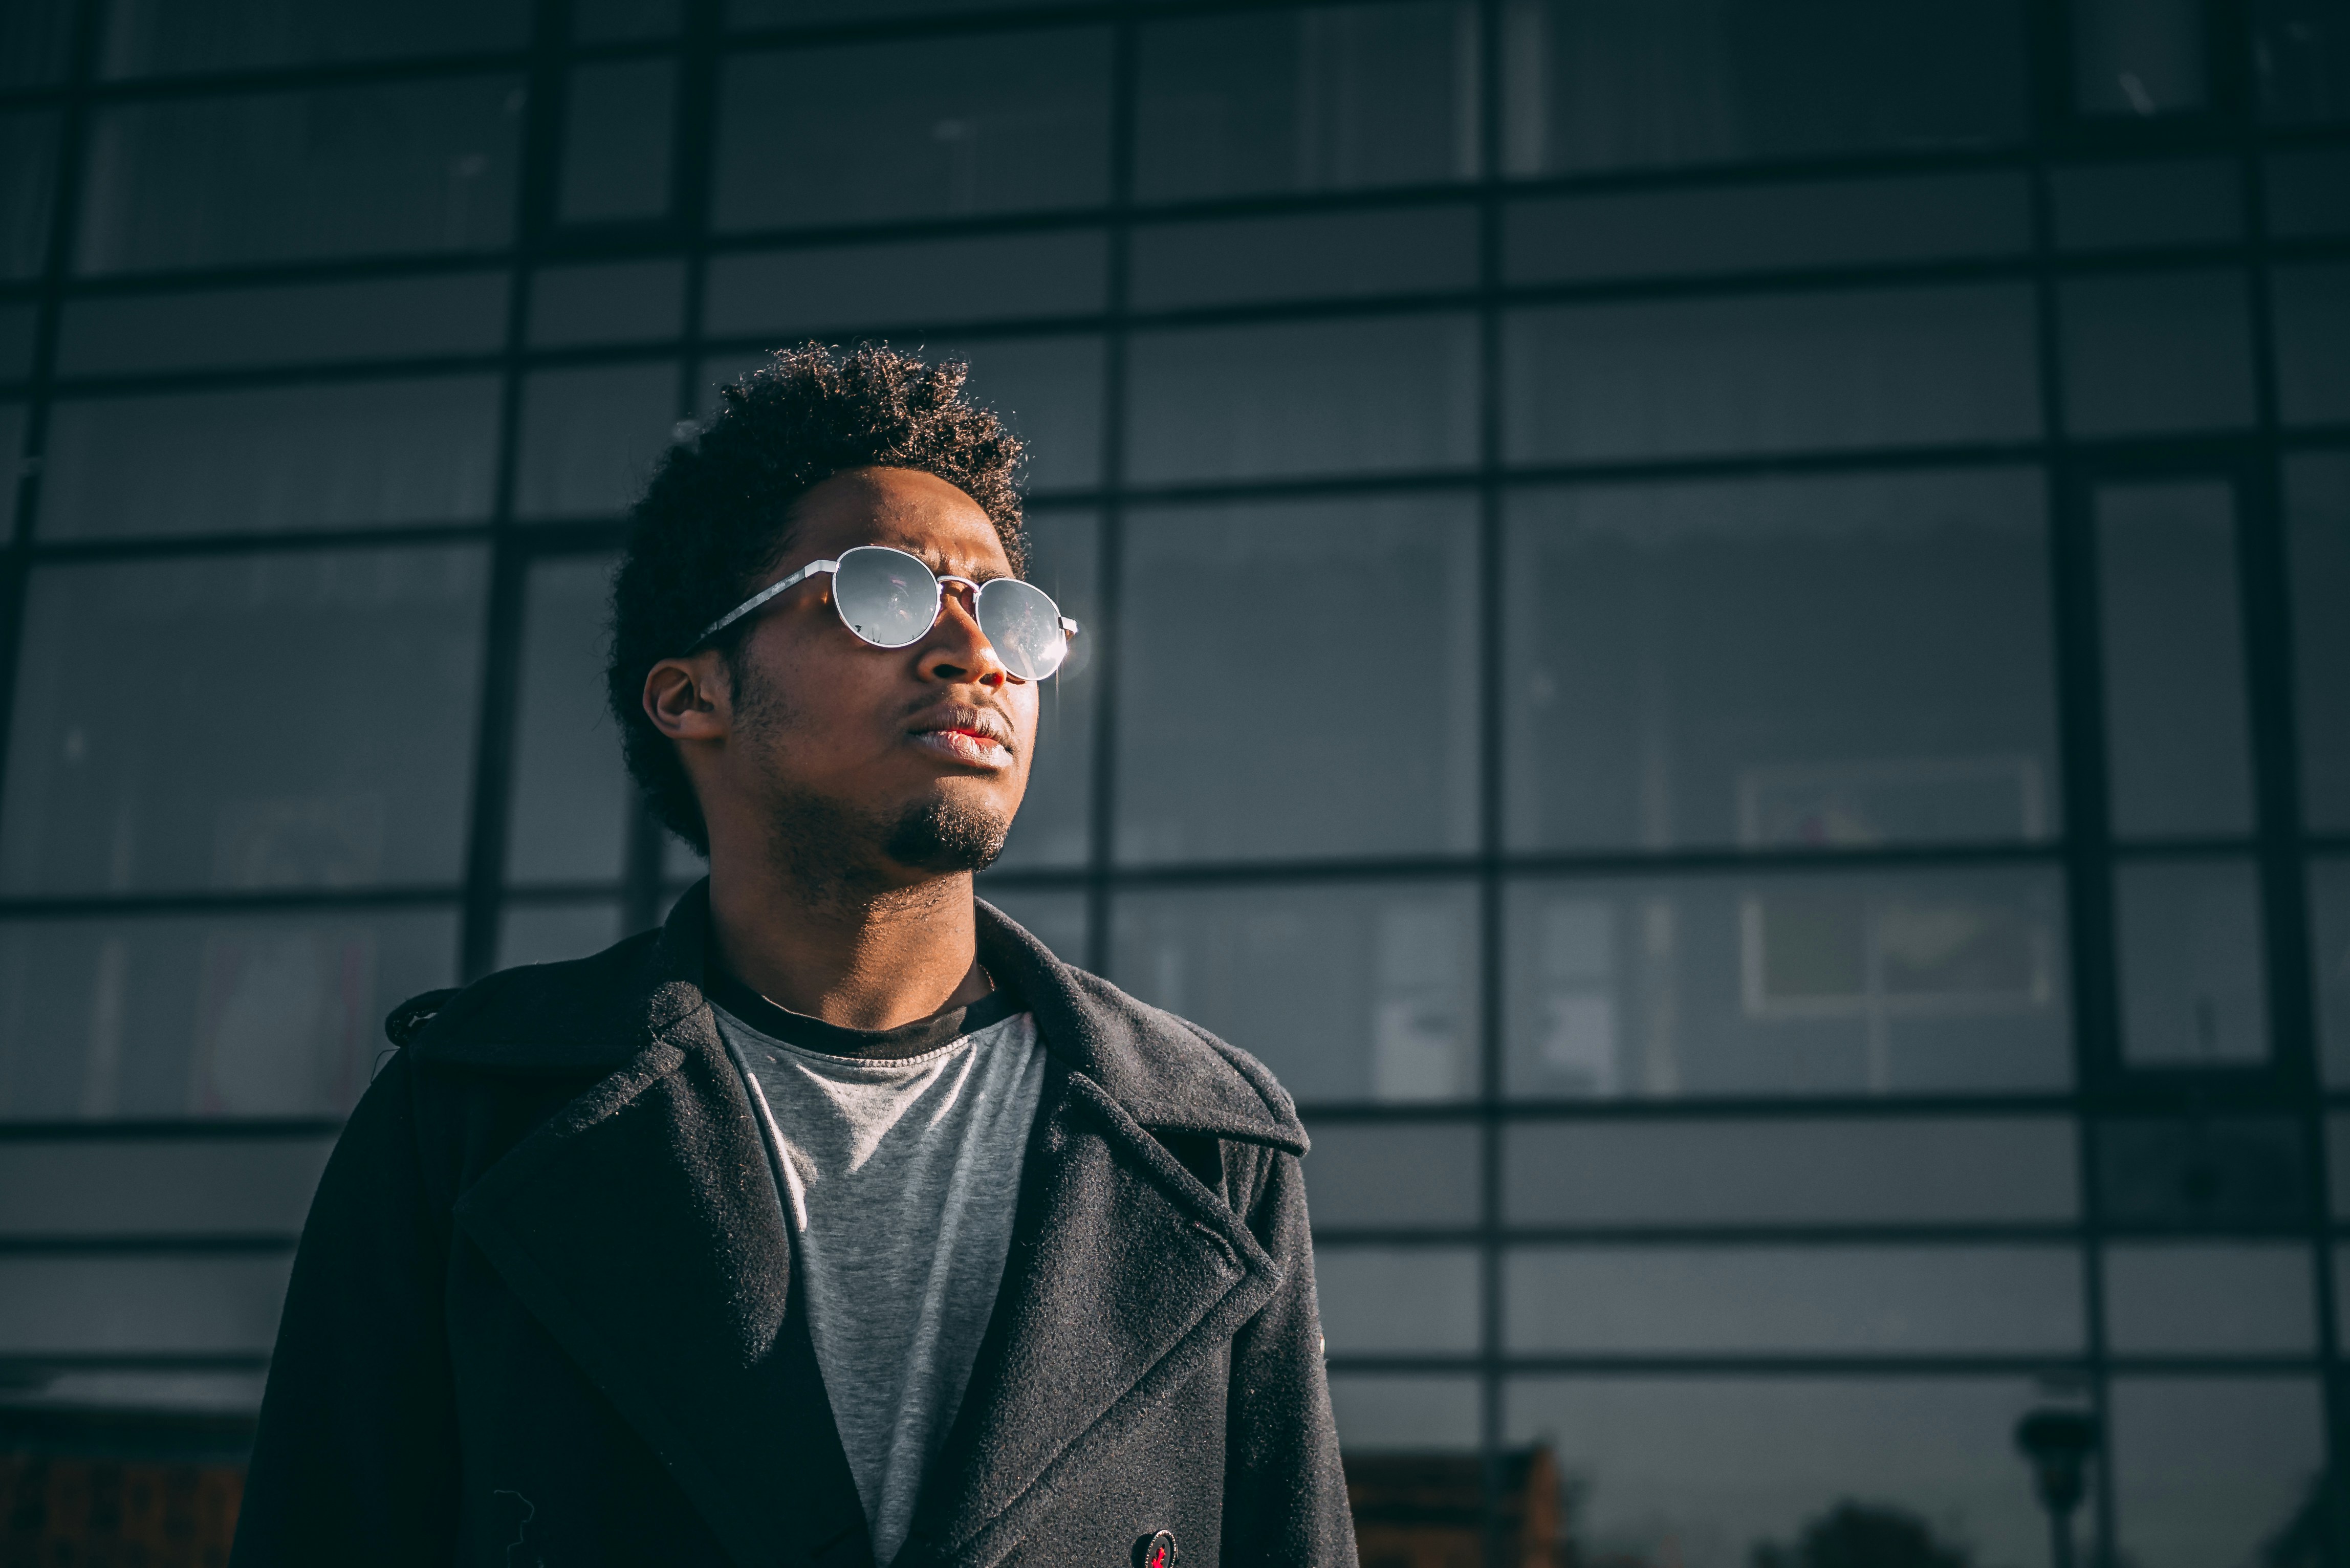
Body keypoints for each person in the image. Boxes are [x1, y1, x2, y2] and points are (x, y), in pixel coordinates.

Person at [230, 343, 1355, 1568]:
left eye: (1012, 614)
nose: (974, 653)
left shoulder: (1202, 1137)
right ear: (691, 694)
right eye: (883, 592)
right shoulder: (471, 1116)